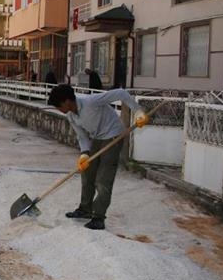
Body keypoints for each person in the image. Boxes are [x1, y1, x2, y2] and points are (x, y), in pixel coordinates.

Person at [47, 85, 148, 230]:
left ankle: (99, 217)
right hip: (97, 137)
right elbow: (82, 137)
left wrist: (138, 111)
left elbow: (120, 93)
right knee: (87, 173)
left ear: (67, 101)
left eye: (58, 105)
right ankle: (85, 209)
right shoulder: (71, 115)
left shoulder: (91, 101)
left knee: (103, 178)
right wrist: (84, 154)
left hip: (113, 136)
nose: (58, 108)